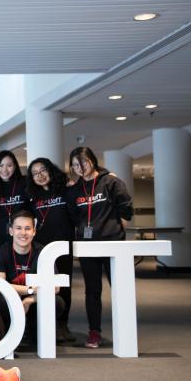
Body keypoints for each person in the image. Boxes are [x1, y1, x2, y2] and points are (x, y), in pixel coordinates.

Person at [65, 147, 133, 349]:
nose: (80, 168)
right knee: (92, 291)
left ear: (92, 161)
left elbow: (126, 207)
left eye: (83, 162)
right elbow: (73, 215)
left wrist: (118, 225)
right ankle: (94, 333)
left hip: (113, 244)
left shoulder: (110, 181)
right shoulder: (74, 190)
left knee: (119, 289)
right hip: (88, 247)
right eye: (75, 164)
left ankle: (126, 329)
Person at [0, 210, 64, 348]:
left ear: (34, 232)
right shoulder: (1, 252)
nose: (23, 233)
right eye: (18, 228)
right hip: (11, 301)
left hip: (33, 302)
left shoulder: (43, 252)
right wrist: (30, 290)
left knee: (57, 302)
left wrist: (30, 300)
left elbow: (55, 287)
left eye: (27, 228)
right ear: (11, 231)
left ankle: (34, 333)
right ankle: (8, 334)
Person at [26, 157, 76, 343]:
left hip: (63, 245)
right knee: (43, 285)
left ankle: (63, 325)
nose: (40, 176)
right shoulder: (33, 197)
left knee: (64, 286)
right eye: (35, 173)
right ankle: (44, 324)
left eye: (43, 170)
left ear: (51, 170)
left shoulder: (66, 190)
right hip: (41, 248)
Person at [0, 151, 29, 248]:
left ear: (15, 166)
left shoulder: (25, 183)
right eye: (0, 165)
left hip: (23, 235)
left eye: (9, 165)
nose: (4, 170)